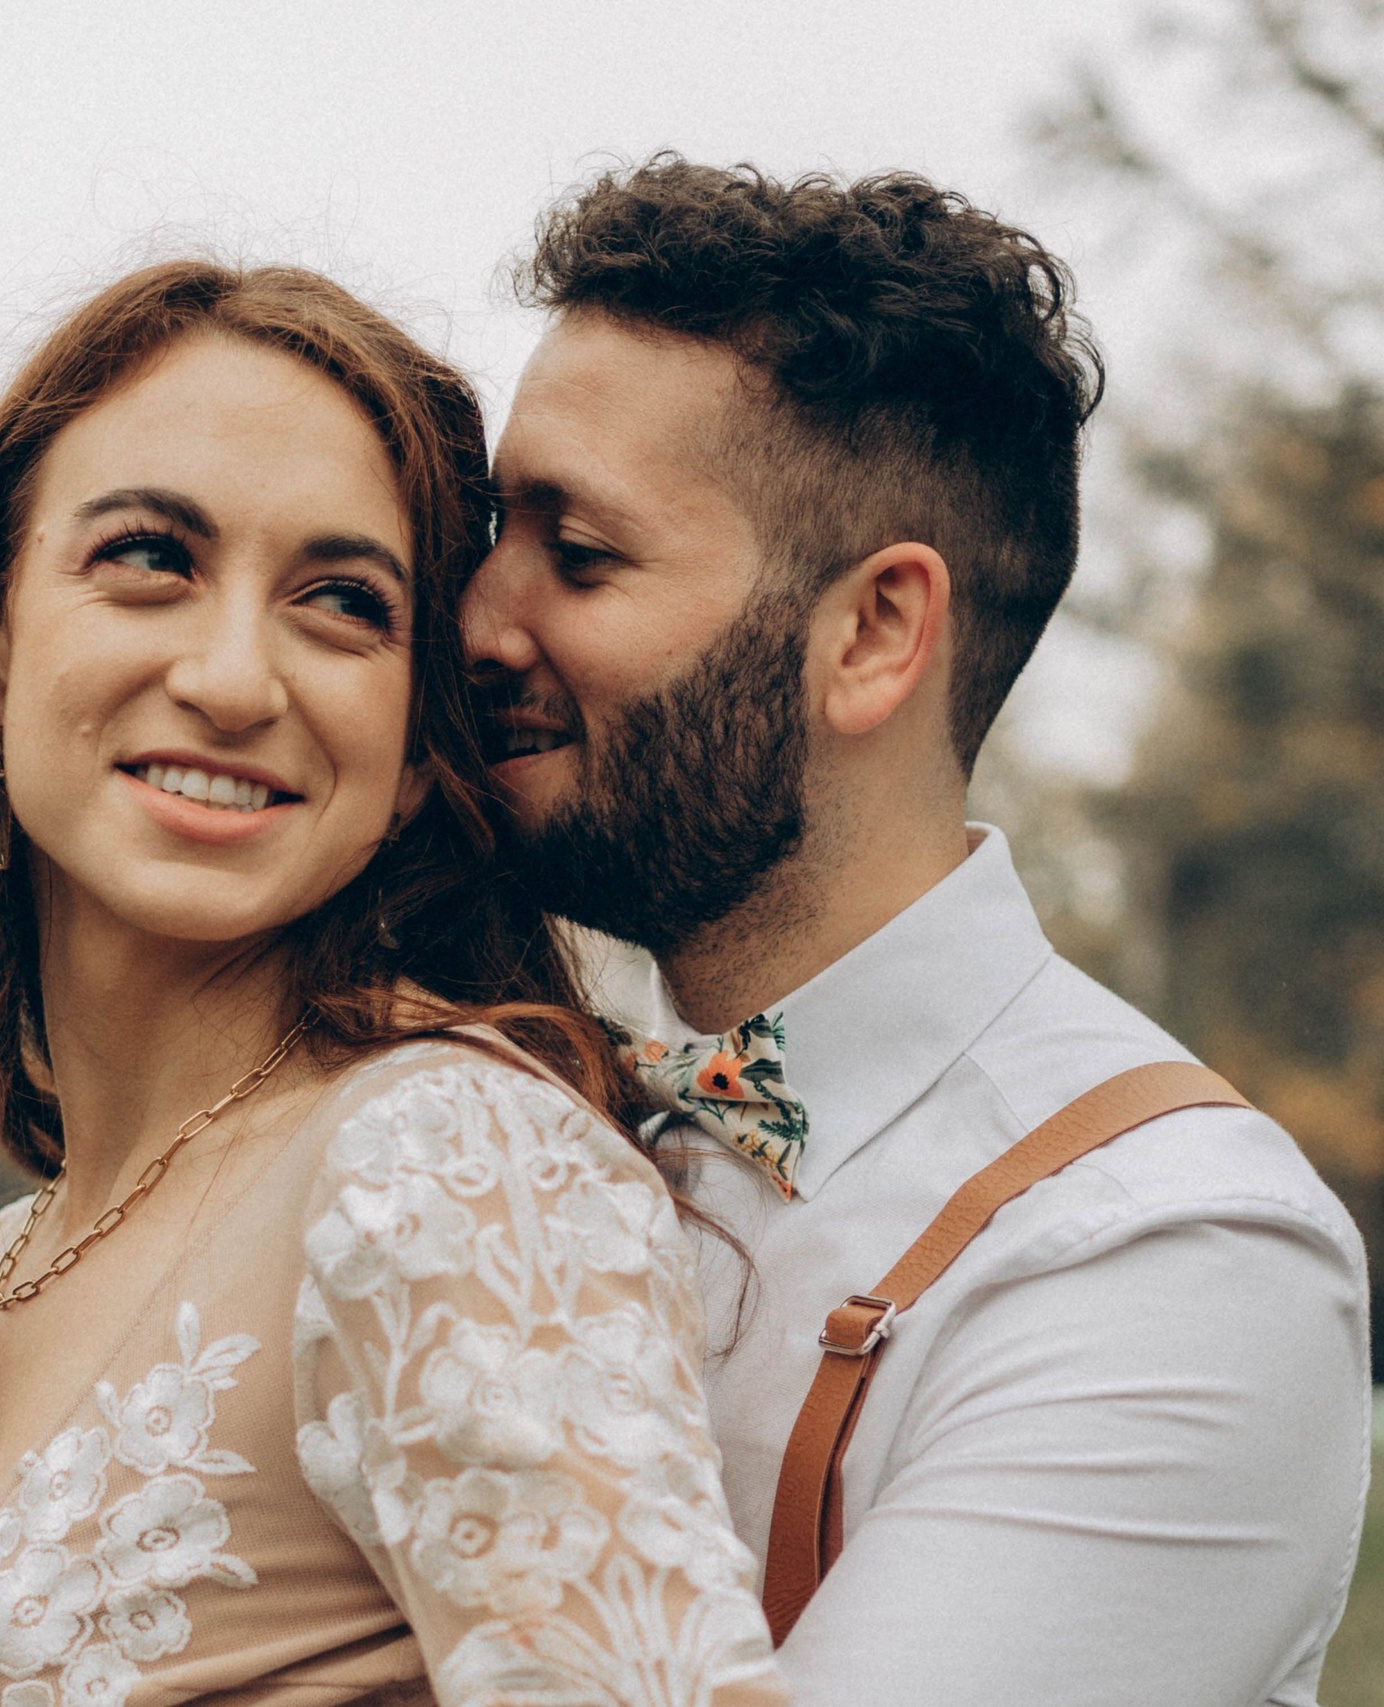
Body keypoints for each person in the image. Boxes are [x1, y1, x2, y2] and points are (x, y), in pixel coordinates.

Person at [460, 157, 1372, 1706]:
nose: (480, 616)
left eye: (581, 552)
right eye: (497, 526)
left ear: (873, 633)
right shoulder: (509, 1114)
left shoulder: (1164, 1259)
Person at [0, 260, 790, 1707]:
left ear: (412, 758)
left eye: (341, 601)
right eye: (152, 556)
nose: (229, 679)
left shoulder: (450, 1164)